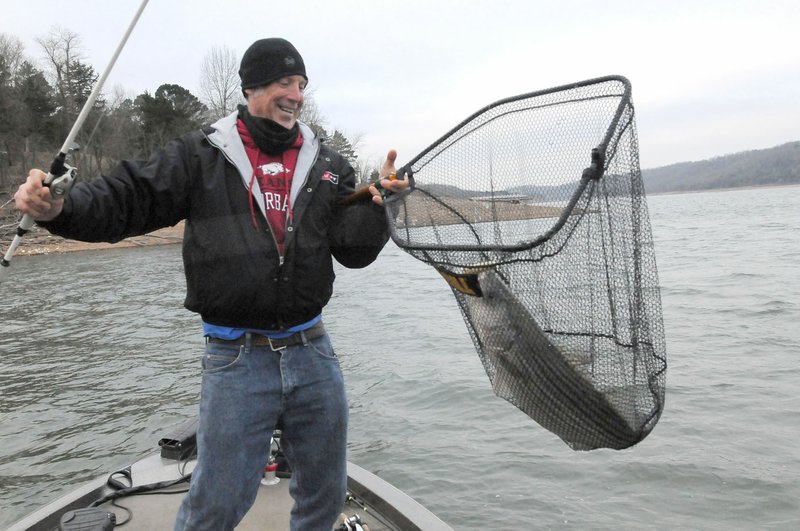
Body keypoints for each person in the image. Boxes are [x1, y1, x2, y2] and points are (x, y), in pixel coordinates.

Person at [14, 37, 407, 530]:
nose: (296, 95)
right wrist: (61, 209)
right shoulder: (201, 154)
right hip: (236, 359)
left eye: (302, 85)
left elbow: (353, 253)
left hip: (314, 352)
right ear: (251, 87)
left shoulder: (327, 166)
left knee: (326, 495)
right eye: (285, 82)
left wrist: (377, 207)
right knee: (218, 503)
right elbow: (127, 198)